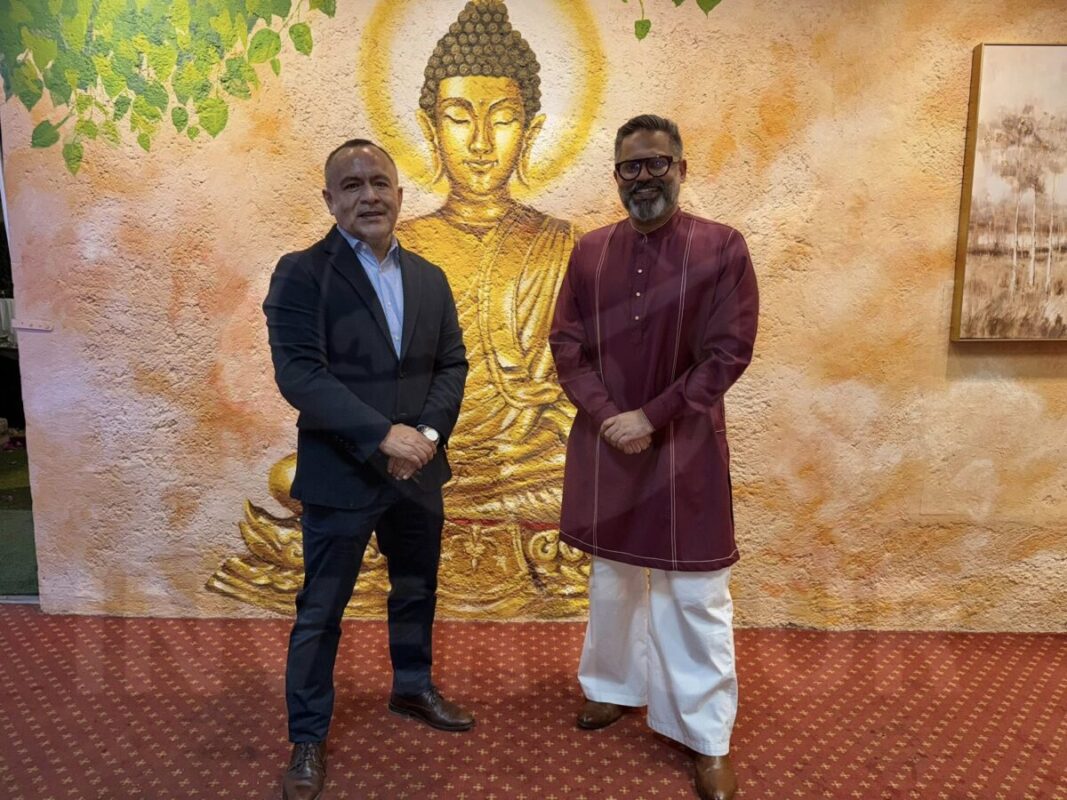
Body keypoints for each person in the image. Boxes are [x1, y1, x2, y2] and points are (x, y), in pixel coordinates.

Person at [550, 114, 759, 800]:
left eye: (656, 163)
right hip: (607, 444)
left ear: (681, 168)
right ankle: (613, 687)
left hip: (685, 446)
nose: (643, 178)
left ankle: (705, 734)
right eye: (629, 167)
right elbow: (566, 345)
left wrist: (650, 416)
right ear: (616, 175)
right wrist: (609, 416)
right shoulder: (590, 252)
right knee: (611, 581)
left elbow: (727, 351)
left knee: (694, 593)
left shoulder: (722, 248)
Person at [264, 138, 471, 800]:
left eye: (379, 182)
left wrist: (427, 437)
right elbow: (300, 375)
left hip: (419, 473)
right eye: (351, 185)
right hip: (341, 474)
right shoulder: (301, 273)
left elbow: (452, 364)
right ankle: (306, 735)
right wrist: (384, 437)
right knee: (321, 609)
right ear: (330, 200)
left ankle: (411, 686)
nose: (369, 195)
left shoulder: (430, 279)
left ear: (400, 195)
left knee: (415, 589)